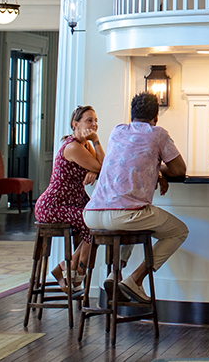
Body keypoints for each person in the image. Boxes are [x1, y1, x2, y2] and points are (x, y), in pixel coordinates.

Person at [83, 92, 188, 303]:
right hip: (125, 214)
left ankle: (115, 274)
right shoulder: (158, 133)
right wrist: (160, 169)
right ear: (156, 117)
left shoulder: (117, 131)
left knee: (133, 217)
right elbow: (179, 170)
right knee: (178, 231)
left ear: (131, 115)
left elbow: (129, 161)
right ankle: (135, 280)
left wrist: (155, 169)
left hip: (92, 214)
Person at [34, 105, 105, 295]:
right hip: (53, 205)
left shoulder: (85, 146)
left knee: (100, 221)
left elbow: (101, 165)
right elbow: (103, 167)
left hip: (72, 201)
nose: (94, 124)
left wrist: (93, 168)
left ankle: (67, 269)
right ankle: (75, 274)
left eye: (95, 120)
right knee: (93, 224)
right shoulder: (73, 147)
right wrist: (96, 145)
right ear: (76, 124)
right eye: (89, 120)